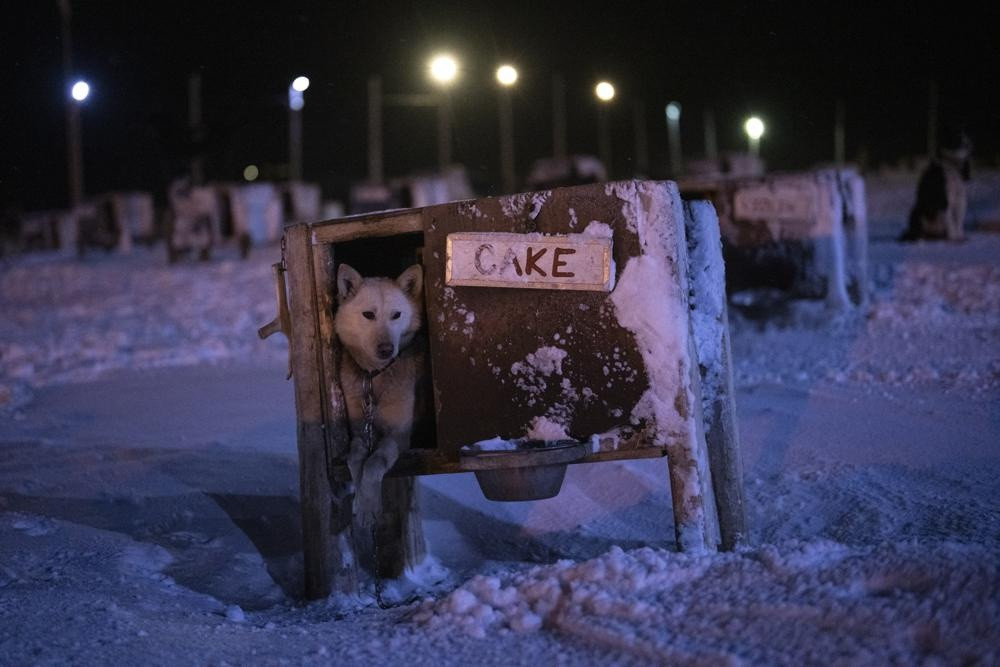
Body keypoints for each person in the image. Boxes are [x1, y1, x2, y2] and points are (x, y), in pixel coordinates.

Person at [901, 131, 972, 241]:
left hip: (941, 219)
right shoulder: (938, 171)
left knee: (959, 202)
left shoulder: (957, 169)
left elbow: (959, 204)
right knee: (947, 204)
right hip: (931, 217)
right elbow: (943, 204)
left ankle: (955, 231)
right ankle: (949, 232)